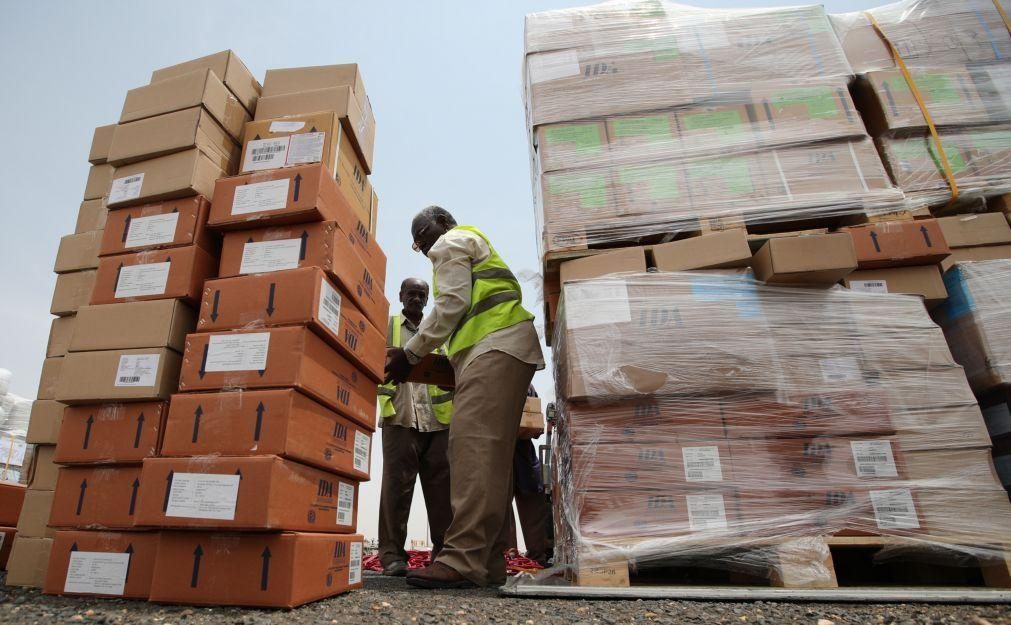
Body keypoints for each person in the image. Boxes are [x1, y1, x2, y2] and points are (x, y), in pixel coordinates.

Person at [386, 206, 545, 589]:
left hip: (494, 347)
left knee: (471, 449)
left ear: (443, 223)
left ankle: (461, 558)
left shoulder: (452, 241)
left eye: (423, 235)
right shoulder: (472, 242)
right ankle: (487, 562)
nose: (423, 246)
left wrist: (410, 354)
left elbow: (452, 303)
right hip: (503, 349)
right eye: (417, 243)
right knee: (489, 458)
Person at [376, 278, 454, 577]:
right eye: (411, 293)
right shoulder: (387, 326)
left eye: (422, 294)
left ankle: (444, 555)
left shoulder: (439, 329)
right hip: (400, 416)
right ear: (401, 296)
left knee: (443, 493)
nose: (417, 299)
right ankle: (392, 556)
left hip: (439, 420)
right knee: (396, 490)